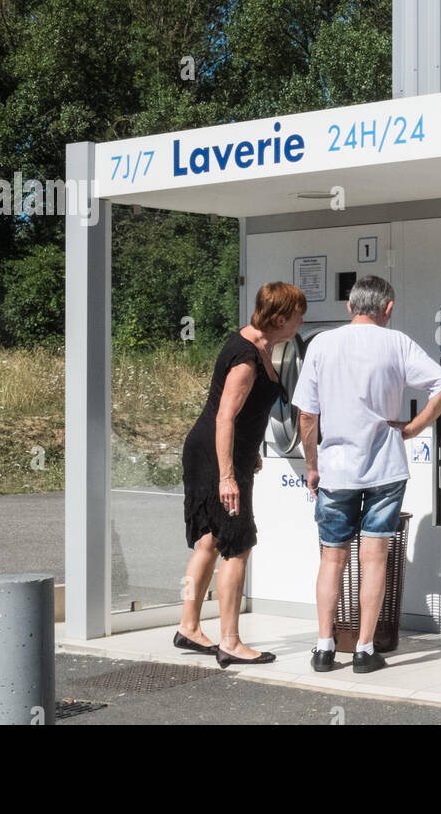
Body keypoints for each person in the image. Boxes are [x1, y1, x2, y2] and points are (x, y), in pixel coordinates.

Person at [293, 275, 441, 673]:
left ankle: (324, 647)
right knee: (375, 561)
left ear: (349, 307)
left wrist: (312, 466)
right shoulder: (397, 342)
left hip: (336, 472)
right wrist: (414, 428)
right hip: (386, 468)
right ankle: (365, 650)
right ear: (388, 309)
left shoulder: (321, 344)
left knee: (332, 560)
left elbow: (307, 416)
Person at [176, 281, 307, 668]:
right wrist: (227, 476)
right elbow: (225, 417)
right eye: (298, 315)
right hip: (216, 457)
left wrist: (248, 456)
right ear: (280, 318)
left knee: (209, 542)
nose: (302, 322)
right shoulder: (247, 358)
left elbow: (244, 418)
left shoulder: (257, 345)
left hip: (219, 453)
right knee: (236, 544)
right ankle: (230, 641)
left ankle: (188, 627)